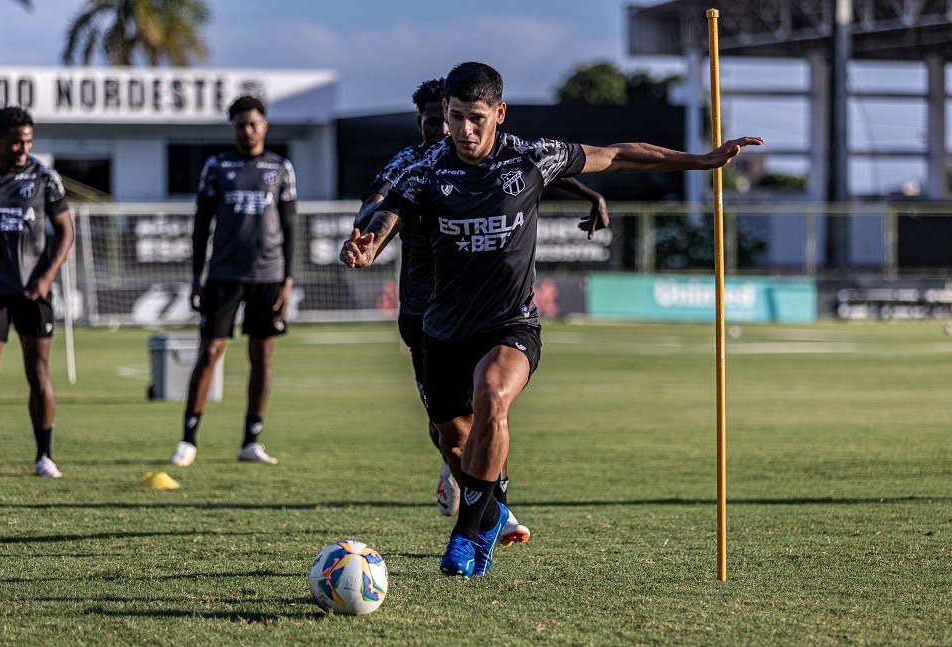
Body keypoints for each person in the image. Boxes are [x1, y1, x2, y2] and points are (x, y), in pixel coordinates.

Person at [341, 61, 763, 578]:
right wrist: (369, 241)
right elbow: (390, 212)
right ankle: (490, 513)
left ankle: (467, 533)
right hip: (442, 330)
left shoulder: (531, 157)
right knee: (453, 440)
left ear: (499, 113)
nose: (464, 130)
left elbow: (618, 155)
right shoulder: (426, 170)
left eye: (475, 118)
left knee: (492, 398)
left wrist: (700, 161)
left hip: (509, 324)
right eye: (454, 117)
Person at [356, 79, 609, 548]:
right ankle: (487, 504)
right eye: (440, 120)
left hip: (489, 309)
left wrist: (588, 194)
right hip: (424, 311)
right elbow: (377, 206)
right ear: (425, 123)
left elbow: (544, 167)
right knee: (447, 428)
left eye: (462, 118)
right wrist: (366, 233)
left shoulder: (496, 158)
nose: (451, 129)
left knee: (490, 405)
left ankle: (490, 513)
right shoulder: (412, 166)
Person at [168, 95, 297, 467]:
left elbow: (290, 227)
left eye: (254, 123)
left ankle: (251, 440)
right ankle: (188, 438)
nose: (247, 130)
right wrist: (196, 277)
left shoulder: (280, 169)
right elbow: (200, 226)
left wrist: (288, 280)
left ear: (265, 125)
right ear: (234, 128)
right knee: (209, 352)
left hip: (268, 277)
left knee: (262, 357)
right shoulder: (216, 166)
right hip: (223, 276)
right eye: (241, 125)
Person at [0, 106, 75, 482]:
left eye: (28, 141)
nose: (23, 149)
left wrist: (46, 278)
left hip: (33, 293)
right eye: (15, 143)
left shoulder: (45, 178)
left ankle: (44, 456)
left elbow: (66, 233)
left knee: (37, 371)